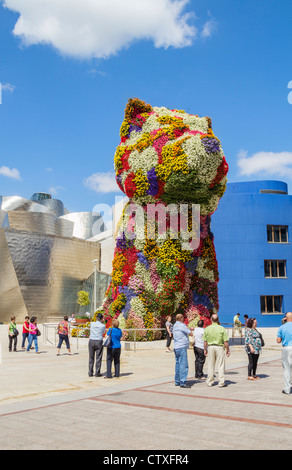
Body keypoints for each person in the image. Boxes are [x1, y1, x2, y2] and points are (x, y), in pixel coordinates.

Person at [203, 314, 230, 387]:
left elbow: (205, 341)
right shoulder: (222, 328)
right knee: (220, 365)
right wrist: (228, 350)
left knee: (210, 365)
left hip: (211, 347)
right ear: (218, 320)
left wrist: (205, 349)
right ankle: (221, 382)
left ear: (211, 319)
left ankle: (210, 381)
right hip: (219, 347)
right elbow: (225, 341)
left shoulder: (207, 328)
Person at [173, 314, 194, 388]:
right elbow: (190, 333)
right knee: (184, 364)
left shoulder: (175, 325)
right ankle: (183, 382)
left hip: (176, 346)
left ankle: (177, 381)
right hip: (181, 347)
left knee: (178, 364)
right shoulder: (182, 325)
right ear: (181, 318)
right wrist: (191, 330)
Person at [277, 312, 292, 395]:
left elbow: (278, 340)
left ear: (285, 318)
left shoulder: (282, 327)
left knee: (287, 369)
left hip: (286, 348)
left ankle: (287, 389)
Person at [88, 312, 105, 377]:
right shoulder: (103, 325)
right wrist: (102, 322)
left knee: (91, 357)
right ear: (101, 319)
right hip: (99, 341)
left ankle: (90, 372)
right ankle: (97, 372)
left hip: (91, 341)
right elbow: (103, 332)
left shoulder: (92, 324)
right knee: (98, 357)